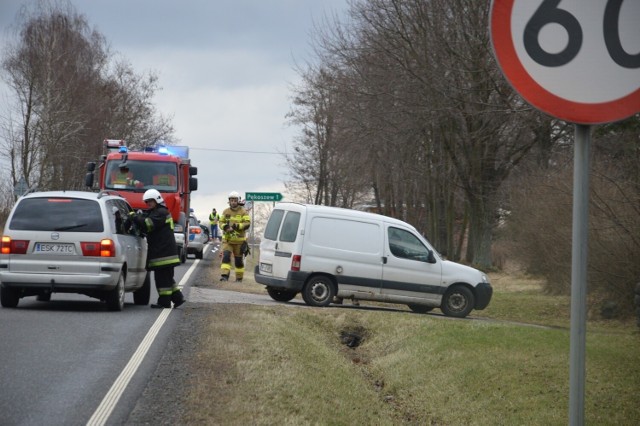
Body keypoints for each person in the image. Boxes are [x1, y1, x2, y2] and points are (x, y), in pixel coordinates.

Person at [130, 189, 185, 309]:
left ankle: (164, 302)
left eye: (150, 201)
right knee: (167, 278)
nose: (148, 204)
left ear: (157, 200)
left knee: (162, 280)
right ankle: (178, 298)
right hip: (165, 252)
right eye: (147, 202)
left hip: (163, 254)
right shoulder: (159, 212)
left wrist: (134, 217)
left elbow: (148, 224)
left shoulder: (160, 213)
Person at [219, 191, 251, 282]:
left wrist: (238, 226)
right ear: (229, 201)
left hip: (239, 241)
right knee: (226, 256)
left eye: (235, 200)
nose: (233, 202)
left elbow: (247, 223)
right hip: (228, 240)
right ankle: (224, 276)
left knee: (238, 261)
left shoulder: (243, 212)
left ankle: (239, 278)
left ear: (238, 201)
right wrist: (225, 227)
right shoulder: (225, 211)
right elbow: (221, 222)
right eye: (231, 200)